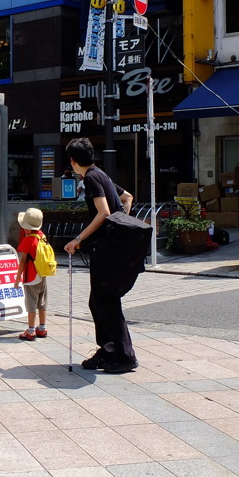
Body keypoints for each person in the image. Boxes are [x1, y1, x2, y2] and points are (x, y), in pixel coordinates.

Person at [63, 137, 138, 374]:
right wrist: (121, 223)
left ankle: (124, 356)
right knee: (99, 301)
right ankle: (108, 350)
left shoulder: (92, 178)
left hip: (106, 250)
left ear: (73, 162)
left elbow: (103, 212)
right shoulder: (101, 174)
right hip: (112, 248)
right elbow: (128, 198)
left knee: (106, 302)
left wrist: (78, 239)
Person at [13, 207, 48, 341]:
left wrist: (17, 280)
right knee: (42, 303)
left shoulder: (27, 240)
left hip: (31, 277)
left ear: (26, 228)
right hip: (42, 274)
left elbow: (22, 262)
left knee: (31, 304)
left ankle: (31, 331)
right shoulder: (42, 236)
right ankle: (42, 328)